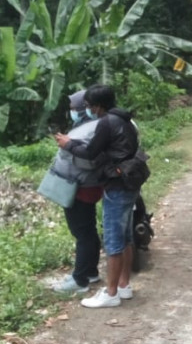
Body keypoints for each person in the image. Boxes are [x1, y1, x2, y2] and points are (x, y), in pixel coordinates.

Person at [54, 84, 140, 308]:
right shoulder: (125, 119)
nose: (88, 110)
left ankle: (111, 294)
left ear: (99, 106)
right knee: (126, 238)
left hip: (116, 185)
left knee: (113, 240)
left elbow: (90, 153)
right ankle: (124, 285)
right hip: (129, 182)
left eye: (89, 106)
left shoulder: (106, 123)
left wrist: (68, 144)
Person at [48, 90, 104, 293]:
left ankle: (80, 280)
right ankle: (90, 272)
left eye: (74, 108)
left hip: (81, 186)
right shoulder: (88, 126)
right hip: (83, 185)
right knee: (87, 230)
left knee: (82, 233)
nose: (71, 111)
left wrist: (68, 146)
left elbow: (90, 159)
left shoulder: (92, 128)